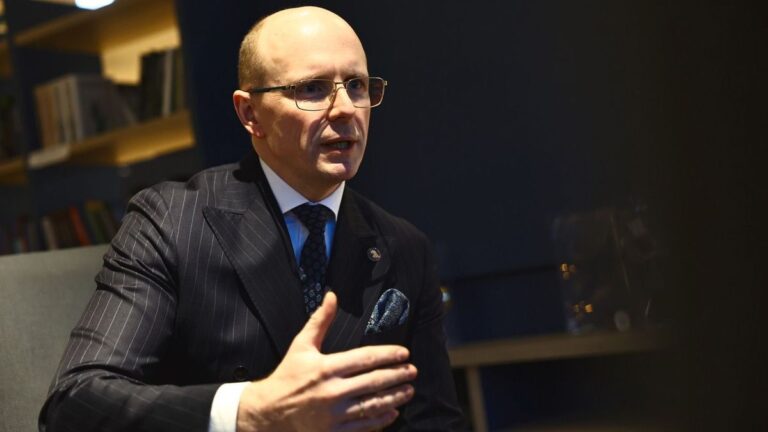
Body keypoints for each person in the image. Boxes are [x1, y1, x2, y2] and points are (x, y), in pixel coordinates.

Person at [40, 6, 464, 432]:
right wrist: (248, 410)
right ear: (250, 114)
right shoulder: (172, 221)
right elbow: (76, 402)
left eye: (356, 85)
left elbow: (435, 421)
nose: (345, 109)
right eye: (312, 89)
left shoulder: (403, 246)